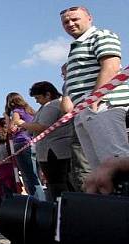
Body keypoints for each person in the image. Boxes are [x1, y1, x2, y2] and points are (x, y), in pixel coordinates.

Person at [60, 6, 129, 170]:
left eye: (75, 19)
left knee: (115, 160)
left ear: (89, 18)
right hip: (85, 109)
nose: (70, 23)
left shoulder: (100, 35)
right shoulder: (76, 46)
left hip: (103, 105)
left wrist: (95, 98)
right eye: (65, 22)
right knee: (100, 167)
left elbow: (111, 66)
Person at [23, 81, 76, 200]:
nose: (36, 101)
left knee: (57, 182)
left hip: (54, 151)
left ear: (47, 94)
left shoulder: (52, 105)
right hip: (52, 150)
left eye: (38, 97)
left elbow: (42, 126)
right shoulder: (47, 106)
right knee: (58, 182)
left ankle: (62, 207)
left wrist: (22, 124)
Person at [4, 92, 45, 200]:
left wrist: (7, 118)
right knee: (36, 173)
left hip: (21, 143)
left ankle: (36, 199)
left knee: (28, 175)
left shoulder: (16, 112)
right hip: (34, 142)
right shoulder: (30, 111)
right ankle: (42, 196)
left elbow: (11, 129)